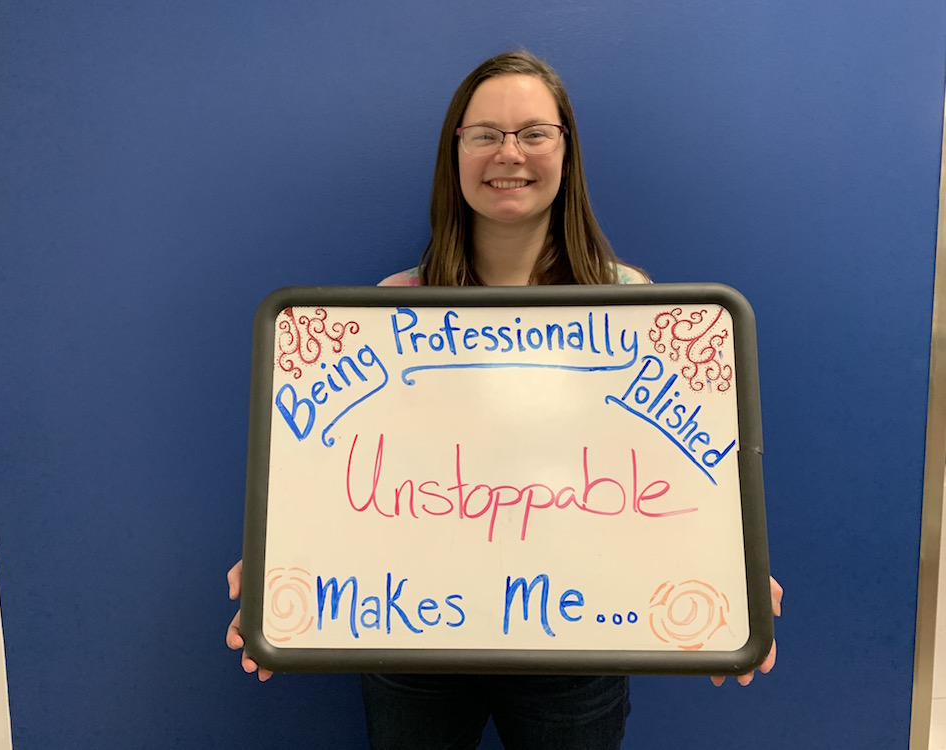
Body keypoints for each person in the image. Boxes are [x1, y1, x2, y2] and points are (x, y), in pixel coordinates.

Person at [227, 49, 782, 749]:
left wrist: (730, 571)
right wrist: (282, 554)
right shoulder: (387, 311)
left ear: (566, 150)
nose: (508, 153)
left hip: (579, 644)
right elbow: (343, 475)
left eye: (533, 133)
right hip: (412, 637)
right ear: (454, 153)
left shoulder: (634, 307)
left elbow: (680, 474)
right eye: (484, 133)